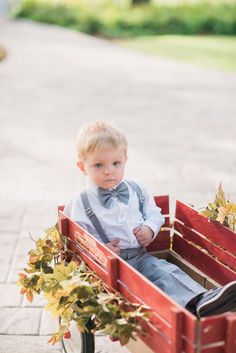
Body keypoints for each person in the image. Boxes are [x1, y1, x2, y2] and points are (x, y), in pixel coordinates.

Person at [64, 121, 236, 318]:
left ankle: (202, 300)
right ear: (82, 167)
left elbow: (154, 214)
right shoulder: (81, 202)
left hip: (139, 256)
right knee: (145, 289)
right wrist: (99, 250)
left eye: (116, 163)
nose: (109, 170)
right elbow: (77, 237)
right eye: (99, 165)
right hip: (108, 269)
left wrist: (149, 228)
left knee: (165, 271)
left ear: (125, 160)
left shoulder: (136, 189)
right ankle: (187, 309)